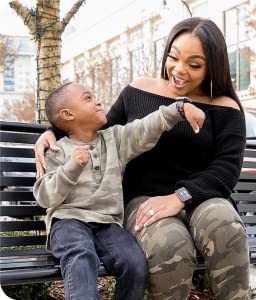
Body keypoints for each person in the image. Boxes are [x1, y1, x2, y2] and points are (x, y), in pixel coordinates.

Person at [35, 17, 251, 300]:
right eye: (173, 57)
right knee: (169, 243)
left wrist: (180, 196)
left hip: (203, 199)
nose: (179, 70)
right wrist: (52, 131)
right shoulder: (138, 90)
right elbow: (98, 129)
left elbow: (226, 170)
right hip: (144, 200)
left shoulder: (226, 107)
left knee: (226, 225)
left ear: (213, 66)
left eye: (194, 65)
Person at [33, 82, 205, 300]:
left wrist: (178, 109)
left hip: (108, 224)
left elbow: (145, 127)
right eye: (87, 98)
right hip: (68, 221)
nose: (98, 101)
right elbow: (44, 197)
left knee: (134, 263)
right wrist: (71, 168)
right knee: (81, 256)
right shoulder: (56, 149)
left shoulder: (113, 139)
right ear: (67, 114)